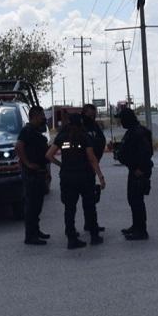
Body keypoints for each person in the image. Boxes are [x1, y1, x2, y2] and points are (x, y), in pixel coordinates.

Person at [46, 113, 106, 249]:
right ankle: (94, 236)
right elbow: (91, 158)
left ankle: (72, 239)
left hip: (67, 177)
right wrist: (100, 176)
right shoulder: (85, 137)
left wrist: (61, 165)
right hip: (85, 177)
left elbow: (48, 155)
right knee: (90, 207)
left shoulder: (61, 137)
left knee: (69, 209)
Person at [115, 107, 153, 240]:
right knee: (132, 199)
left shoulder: (138, 132)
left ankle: (141, 231)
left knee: (137, 201)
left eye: (121, 119)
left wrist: (140, 169)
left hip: (139, 171)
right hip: (134, 170)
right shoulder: (132, 131)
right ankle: (136, 226)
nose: (120, 122)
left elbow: (146, 152)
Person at [15, 106, 50, 246]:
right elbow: (18, 147)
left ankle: (36, 230)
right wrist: (28, 164)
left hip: (39, 172)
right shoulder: (26, 131)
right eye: (41, 117)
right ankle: (30, 236)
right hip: (31, 174)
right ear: (34, 117)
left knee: (38, 204)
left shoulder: (35, 131)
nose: (43, 119)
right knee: (32, 205)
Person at [82, 103, 107, 235]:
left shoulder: (94, 126)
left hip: (91, 166)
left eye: (94, 114)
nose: (92, 116)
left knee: (90, 199)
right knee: (74, 202)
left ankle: (91, 224)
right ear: (84, 112)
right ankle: (72, 230)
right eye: (90, 114)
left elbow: (101, 140)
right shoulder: (79, 127)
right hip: (82, 167)